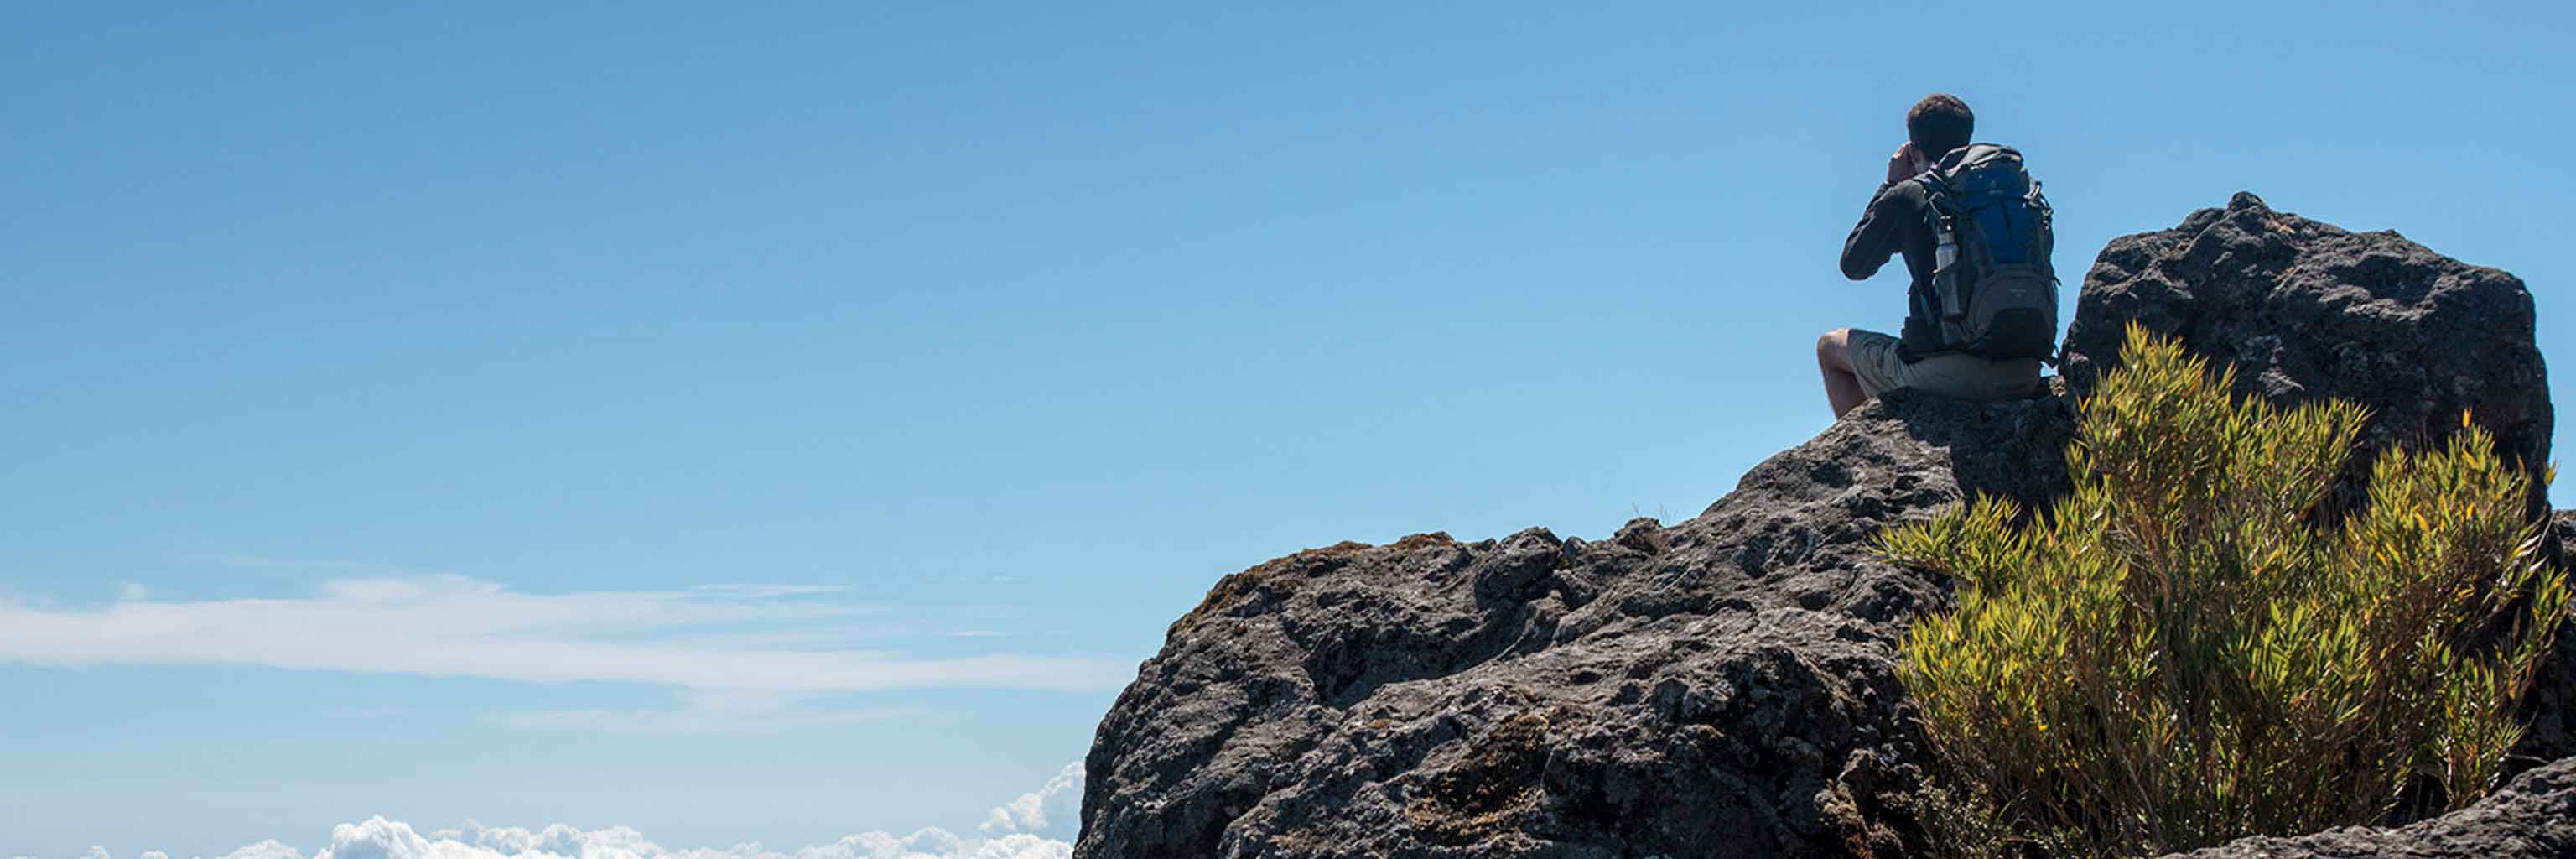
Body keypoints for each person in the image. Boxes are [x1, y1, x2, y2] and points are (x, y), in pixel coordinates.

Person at [1816, 94, 2049, 419]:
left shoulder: (1910, 194)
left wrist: (1890, 185)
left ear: (1913, 149)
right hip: (2025, 370)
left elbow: (1854, 265)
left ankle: (1857, 451)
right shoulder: (2013, 191)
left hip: (1952, 378)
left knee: (1830, 347)